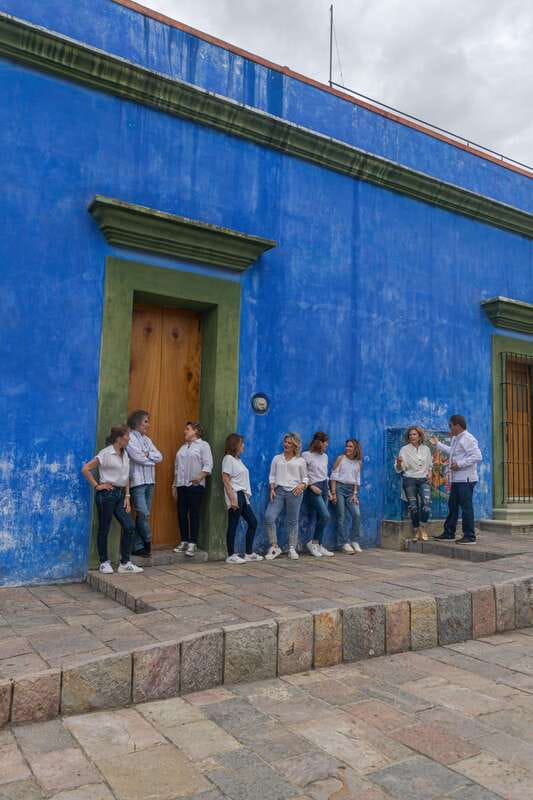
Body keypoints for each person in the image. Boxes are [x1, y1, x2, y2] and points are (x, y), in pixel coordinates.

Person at [81, 425, 144, 574]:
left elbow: (127, 476)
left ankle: (125, 563)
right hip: (106, 495)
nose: (129, 438)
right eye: (127, 436)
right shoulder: (105, 453)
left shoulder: (125, 454)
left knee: (129, 526)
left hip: (120, 495)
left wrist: (127, 497)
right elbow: (85, 469)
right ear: (119, 438)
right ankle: (103, 562)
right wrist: (97, 486)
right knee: (104, 528)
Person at [430, 415, 482, 544]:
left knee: (466, 508)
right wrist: (438, 444)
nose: (449, 428)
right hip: (457, 479)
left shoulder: (468, 439)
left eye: (450, 425)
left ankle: (470, 536)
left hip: (466, 479)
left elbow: (477, 456)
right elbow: (452, 451)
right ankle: (449, 533)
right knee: (452, 506)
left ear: (457, 425)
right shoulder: (456, 438)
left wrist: (460, 464)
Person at [265, 433, 308, 560]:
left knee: (292, 521)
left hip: (295, 492)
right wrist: (272, 488)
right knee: (269, 517)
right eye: (285, 442)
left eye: (289, 443)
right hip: (278, 491)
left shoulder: (300, 461)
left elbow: (306, 478)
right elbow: (272, 475)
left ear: (295, 446)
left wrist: (302, 485)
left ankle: (292, 548)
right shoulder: (277, 458)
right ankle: (274, 547)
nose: (286, 445)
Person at [172, 422, 213, 557]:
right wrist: (174, 485)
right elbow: (177, 468)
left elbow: (208, 465)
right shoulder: (183, 448)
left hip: (195, 486)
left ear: (195, 431)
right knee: (181, 514)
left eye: (187, 429)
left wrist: (199, 477)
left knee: (194, 513)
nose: (184, 431)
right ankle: (184, 540)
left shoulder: (203, 445)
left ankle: (192, 543)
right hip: (181, 485)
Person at [221, 433, 263, 564]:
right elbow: (225, 479)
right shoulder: (228, 459)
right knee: (233, 524)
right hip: (236, 494)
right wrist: (232, 498)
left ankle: (248, 553)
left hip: (242, 496)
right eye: (241, 443)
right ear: (235, 445)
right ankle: (231, 555)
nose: (243, 446)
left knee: (253, 522)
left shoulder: (238, 460)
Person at [126, 409, 163, 557]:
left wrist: (148, 456)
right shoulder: (130, 437)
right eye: (146, 421)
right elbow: (137, 457)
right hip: (137, 482)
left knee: (143, 516)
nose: (148, 424)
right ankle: (147, 540)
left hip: (150, 481)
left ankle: (137, 546)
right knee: (143, 513)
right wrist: (150, 459)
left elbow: (160, 457)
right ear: (137, 422)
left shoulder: (147, 440)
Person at [395, 426, 433, 541]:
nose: (412, 436)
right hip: (409, 479)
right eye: (410, 435)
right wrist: (398, 463)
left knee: (426, 505)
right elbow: (400, 469)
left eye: (414, 434)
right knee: (413, 507)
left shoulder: (426, 449)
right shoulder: (404, 449)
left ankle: (423, 528)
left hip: (423, 479)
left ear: (420, 436)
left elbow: (430, 464)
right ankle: (416, 530)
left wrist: (430, 473)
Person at [302, 432, 334, 557]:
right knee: (325, 515)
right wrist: (311, 486)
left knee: (322, 518)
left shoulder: (325, 456)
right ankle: (313, 543)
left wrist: (330, 491)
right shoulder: (306, 455)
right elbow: (303, 475)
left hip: (324, 488)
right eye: (325, 442)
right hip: (313, 488)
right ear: (319, 442)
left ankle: (319, 544)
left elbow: (325, 475)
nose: (327, 444)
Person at [330, 439, 363, 554]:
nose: (347, 448)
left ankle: (354, 540)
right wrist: (333, 493)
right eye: (347, 446)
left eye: (350, 447)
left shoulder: (358, 462)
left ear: (356, 449)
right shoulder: (341, 458)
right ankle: (343, 543)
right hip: (339, 488)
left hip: (350, 491)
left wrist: (355, 494)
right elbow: (333, 476)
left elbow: (356, 480)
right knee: (341, 516)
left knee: (357, 514)